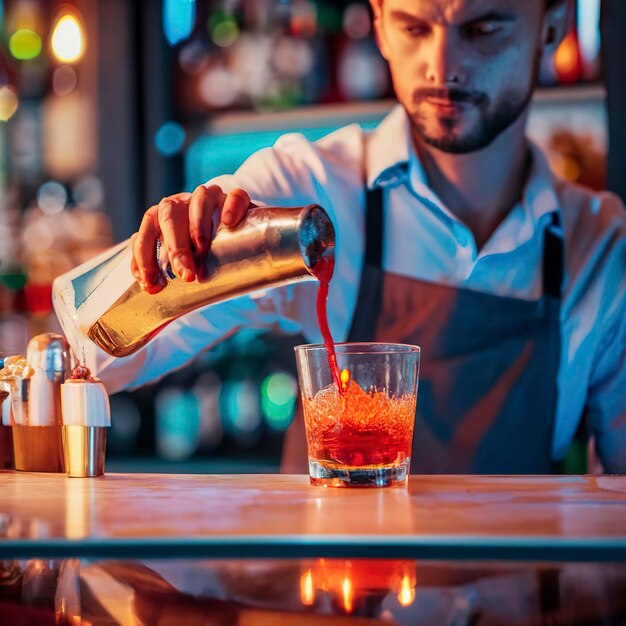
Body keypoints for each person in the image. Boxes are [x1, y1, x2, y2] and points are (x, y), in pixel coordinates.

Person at [60, 0, 626, 473]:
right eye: (413, 27)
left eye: (483, 28)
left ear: (553, 25)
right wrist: (170, 248)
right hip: (335, 599)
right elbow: (97, 355)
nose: (443, 64)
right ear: (378, 23)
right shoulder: (307, 187)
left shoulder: (601, 245)